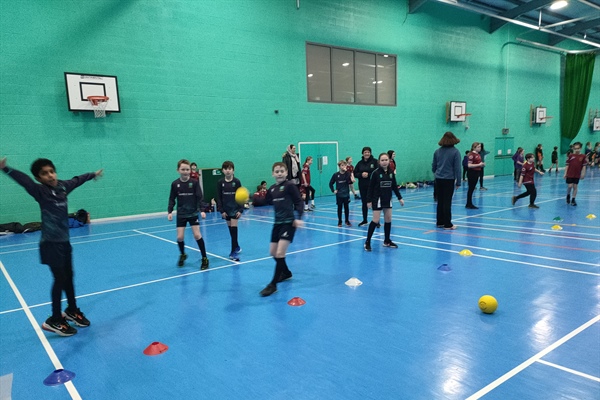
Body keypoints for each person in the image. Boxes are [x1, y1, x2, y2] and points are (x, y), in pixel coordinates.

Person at [0, 157, 102, 336]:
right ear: (39, 178)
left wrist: (92, 174)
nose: (50, 175)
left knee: (69, 277)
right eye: (44, 174)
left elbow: (77, 180)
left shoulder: (62, 186)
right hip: (50, 244)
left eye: (51, 171)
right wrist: (5, 168)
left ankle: (71, 310)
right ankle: (54, 320)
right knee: (60, 279)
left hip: (64, 242)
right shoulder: (39, 191)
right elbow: (24, 181)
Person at [259, 162, 304, 297]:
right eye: (277, 171)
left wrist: (298, 217)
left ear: (286, 173)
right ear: (273, 174)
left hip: (288, 223)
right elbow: (266, 201)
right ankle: (286, 273)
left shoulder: (290, 186)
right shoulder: (272, 189)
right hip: (277, 223)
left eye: (282, 171)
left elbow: (299, 202)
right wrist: (248, 198)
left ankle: (273, 285)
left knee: (279, 253)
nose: (279, 173)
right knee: (273, 252)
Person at [168, 159, 209, 270]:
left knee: (197, 235)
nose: (185, 171)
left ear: (190, 170)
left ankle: (204, 258)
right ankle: (182, 254)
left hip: (192, 213)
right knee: (180, 237)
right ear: (178, 170)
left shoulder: (194, 183)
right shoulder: (175, 184)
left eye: (187, 169)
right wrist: (170, 211)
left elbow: (199, 197)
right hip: (181, 214)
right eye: (183, 169)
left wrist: (202, 210)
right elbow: (172, 199)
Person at [364, 153, 404, 251]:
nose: (384, 162)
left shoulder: (391, 172)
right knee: (375, 220)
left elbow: (394, 186)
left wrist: (400, 198)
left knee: (388, 219)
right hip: (377, 199)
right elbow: (370, 188)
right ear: (379, 162)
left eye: (386, 160)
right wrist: (368, 200)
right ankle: (367, 242)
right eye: (382, 160)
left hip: (388, 199)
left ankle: (387, 241)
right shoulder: (376, 173)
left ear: (389, 161)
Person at [432, 132, 461, 230]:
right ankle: (448, 224)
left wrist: (438, 173)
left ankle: (440, 222)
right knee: (447, 202)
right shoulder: (455, 152)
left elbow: (433, 166)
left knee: (440, 201)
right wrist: (459, 182)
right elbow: (457, 168)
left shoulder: (437, 151)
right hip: (449, 180)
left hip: (438, 179)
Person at [216, 160, 244, 261]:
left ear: (233, 170)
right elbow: (219, 197)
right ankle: (236, 246)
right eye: (226, 169)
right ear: (223, 170)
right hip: (226, 210)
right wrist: (221, 210)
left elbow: (241, 196)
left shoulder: (236, 182)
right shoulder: (220, 182)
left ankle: (233, 253)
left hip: (234, 209)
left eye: (230, 169)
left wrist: (240, 210)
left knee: (234, 230)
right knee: (231, 231)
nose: (228, 171)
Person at [353, 147, 378, 226]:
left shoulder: (375, 162)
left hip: (373, 186)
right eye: (365, 152)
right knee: (364, 203)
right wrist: (361, 175)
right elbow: (355, 173)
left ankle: (376, 221)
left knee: (374, 203)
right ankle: (365, 220)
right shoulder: (360, 163)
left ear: (370, 153)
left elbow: (378, 172)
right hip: (362, 186)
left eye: (368, 152)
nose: (366, 153)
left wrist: (368, 175)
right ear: (362, 153)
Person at [329, 160, 353, 227]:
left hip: (346, 194)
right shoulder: (336, 175)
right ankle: (339, 221)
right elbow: (331, 183)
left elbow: (350, 182)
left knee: (346, 208)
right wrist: (333, 190)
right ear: (339, 166)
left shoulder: (347, 174)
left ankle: (347, 220)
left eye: (345, 165)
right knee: (339, 208)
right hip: (339, 194)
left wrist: (351, 176)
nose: (343, 167)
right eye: (342, 165)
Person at [564, 142, 587, 206]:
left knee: (575, 187)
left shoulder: (583, 156)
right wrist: (565, 173)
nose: (576, 150)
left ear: (580, 148)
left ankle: (573, 199)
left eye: (578, 148)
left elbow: (584, 166)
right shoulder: (571, 156)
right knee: (570, 186)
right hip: (570, 174)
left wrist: (583, 173)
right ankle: (568, 195)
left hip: (577, 174)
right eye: (575, 148)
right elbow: (567, 165)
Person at [466, 142, 484, 209]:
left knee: (472, 188)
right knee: (471, 188)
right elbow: (469, 165)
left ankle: (469, 203)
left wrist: (481, 164)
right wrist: (479, 165)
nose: (480, 148)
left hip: (477, 172)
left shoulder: (478, 154)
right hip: (472, 173)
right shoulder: (471, 155)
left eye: (480, 147)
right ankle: (469, 203)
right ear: (474, 147)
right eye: (478, 147)